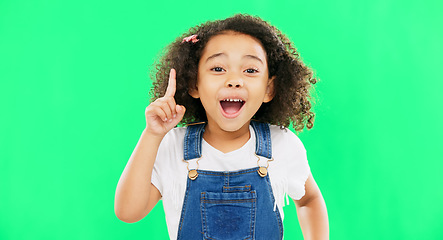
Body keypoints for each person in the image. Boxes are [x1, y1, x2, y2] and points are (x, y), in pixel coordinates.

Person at [114, 14, 329, 240]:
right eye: (218, 69)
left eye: (250, 70)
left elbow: (308, 201)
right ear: (193, 84)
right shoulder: (172, 145)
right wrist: (152, 134)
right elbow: (128, 212)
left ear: (269, 89)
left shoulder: (282, 145)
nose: (234, 80)